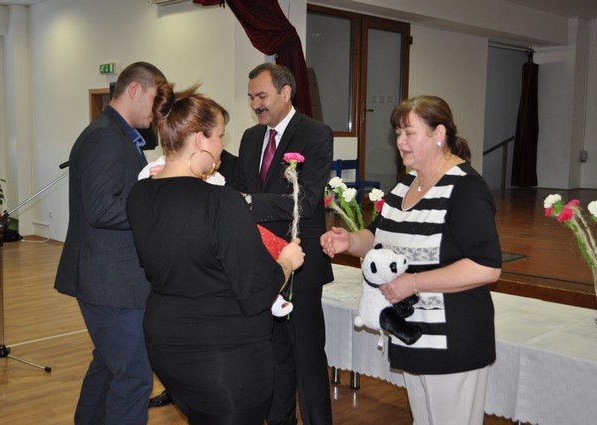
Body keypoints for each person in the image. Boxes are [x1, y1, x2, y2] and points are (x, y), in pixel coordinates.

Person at [126, 81, 304, 425]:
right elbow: (256, 291)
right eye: (220, 136)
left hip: (167, 347)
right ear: (199, 140)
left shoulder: (139, 195)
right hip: (226, 358)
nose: (223, 145)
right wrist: (286, 262)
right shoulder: (222, 202)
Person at [320, 95, 502, 425]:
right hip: (414, 334)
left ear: (439, 134)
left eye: (409, 133)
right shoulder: (407, 184)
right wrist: (350, 241)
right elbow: (377, 236)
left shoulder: (466, 189)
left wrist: (413, 283)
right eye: (397, 133)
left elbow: (486, 267)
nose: (400, 142)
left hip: (452, 338)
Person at [54, 61, 166, 425]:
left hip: (109, 279)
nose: (157, 109)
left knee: (107, 366)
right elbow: (101, 209)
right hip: (111, 283)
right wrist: (153, 203)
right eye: (154, 98)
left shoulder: (118, 134)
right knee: (134, 377)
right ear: (134, 90)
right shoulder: (105, 136)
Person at [231, 63, 334, 425]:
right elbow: (240, 188)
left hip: (301, 264)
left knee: (308, 359)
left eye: (261, 96)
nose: (255, 104)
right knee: (275, 358)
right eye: (251, 98)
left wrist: (249, 202)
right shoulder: (250, 137)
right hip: (265, 266)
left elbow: (306, 200)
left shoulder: (316, 134)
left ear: (285, 93)